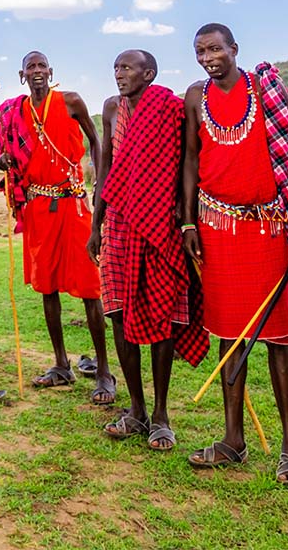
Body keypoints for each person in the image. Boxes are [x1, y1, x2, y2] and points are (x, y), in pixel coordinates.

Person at [181, 24, 288, 485]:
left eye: (215, 48)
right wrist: (188, 221)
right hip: (218, 227)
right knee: (229, 334)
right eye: (200, 50)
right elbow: (191, 162)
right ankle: (233, 440)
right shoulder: (196, 97)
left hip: (269, 227)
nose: (208, 57)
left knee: (278, 337)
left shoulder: (266, 88)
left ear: (234, 49)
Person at [89, 50, 208, 451]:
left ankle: (161, 415)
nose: (119, 74)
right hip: (120, 221)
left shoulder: (170, 108)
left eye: (126, 68)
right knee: (119, 311)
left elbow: (188, 162)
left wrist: (187, 216)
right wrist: (95, 224)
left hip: (160, 220)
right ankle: (136, 409)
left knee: (164, 311)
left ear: (149, 73)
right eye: (116, 67)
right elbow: (106, 165)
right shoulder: (111, 109)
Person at [0, 51, 115, 405]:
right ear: (22, 74)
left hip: (73, 203)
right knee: (47, 286)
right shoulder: (15, 111)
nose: (38, 71)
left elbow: (96, 141)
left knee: (91, 288)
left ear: (51, 72)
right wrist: (3, 159)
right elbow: (5, 151)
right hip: (38, 208)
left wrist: (99, 185)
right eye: (31, 67)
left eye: (42, 66)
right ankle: (61, 364)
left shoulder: (70, 101)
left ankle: (104, 372)